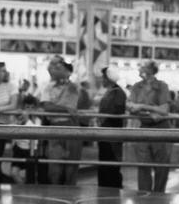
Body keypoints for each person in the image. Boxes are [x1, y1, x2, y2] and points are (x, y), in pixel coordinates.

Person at [34, 56, 90, 185]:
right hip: (55, 127)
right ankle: (56, 191)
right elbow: (47, 106)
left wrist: (60, 108)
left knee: (72, 163)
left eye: (59, 68)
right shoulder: (48, 87)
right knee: (55, 164)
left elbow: (77, 106)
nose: (54, 70)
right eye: (53, 67)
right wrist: (66, 109)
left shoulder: (75, 88)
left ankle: (70, 192)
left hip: (72, 127)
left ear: (68, 71)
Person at [126, 60, 174, 192]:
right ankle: (144, 194)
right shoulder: (136, 87)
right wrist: (152, 110)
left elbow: (164, 110)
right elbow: (130, 106)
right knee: (143, 164)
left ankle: (159, 194)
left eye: (144, 66)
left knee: (162, 166)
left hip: (161, 128)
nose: (140, 68)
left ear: (151, 70)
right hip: (144, 127)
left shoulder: (162, 86)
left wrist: (142, 106)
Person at [95, 65, 127, 188]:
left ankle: (111, 188)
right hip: (105, 134)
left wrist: (103, 117)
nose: (102, 81)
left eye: (103, 78)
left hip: (112, 135)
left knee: (111, 163)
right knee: (105, 162)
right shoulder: (111, 92)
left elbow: (117, 111)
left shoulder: (118, 93)